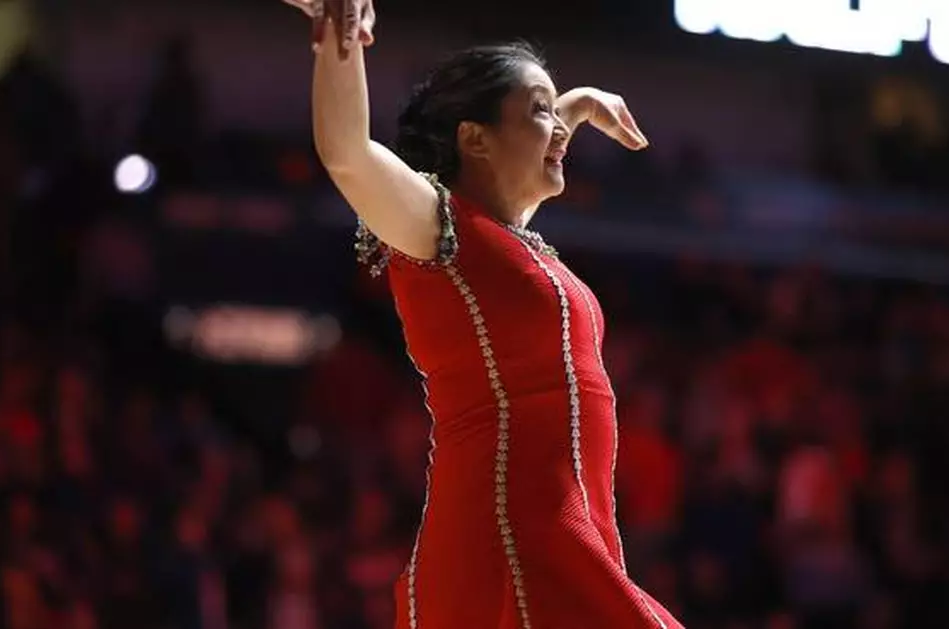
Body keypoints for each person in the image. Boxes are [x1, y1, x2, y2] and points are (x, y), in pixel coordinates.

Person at [281, 0, 682, 627]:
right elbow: (347, 153)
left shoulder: (501, 240)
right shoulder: (436, 228)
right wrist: (341, 35)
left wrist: (568, 106)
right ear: (473, 138)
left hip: (568, 527)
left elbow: (513, 201)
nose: (557, 133)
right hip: (509, 531)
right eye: (538, 113)